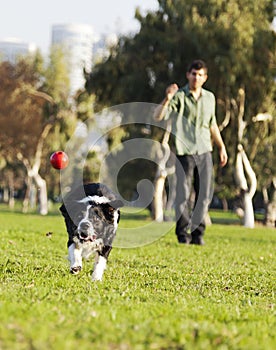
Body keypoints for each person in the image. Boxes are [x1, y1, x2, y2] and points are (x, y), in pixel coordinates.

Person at [154, 59, 228, 245]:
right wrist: (168, 97)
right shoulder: (179, 96)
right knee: (183, 194)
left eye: (200, 75)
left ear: (205, 78)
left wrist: (221, 147)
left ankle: (198, 234)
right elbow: (158, 116)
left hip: (205, 150)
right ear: (188, 75)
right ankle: (183, 234)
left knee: (204, 194)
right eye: (193, 74)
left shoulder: (210, 98)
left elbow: (212, 125)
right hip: (184, 151)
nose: (196, 77)